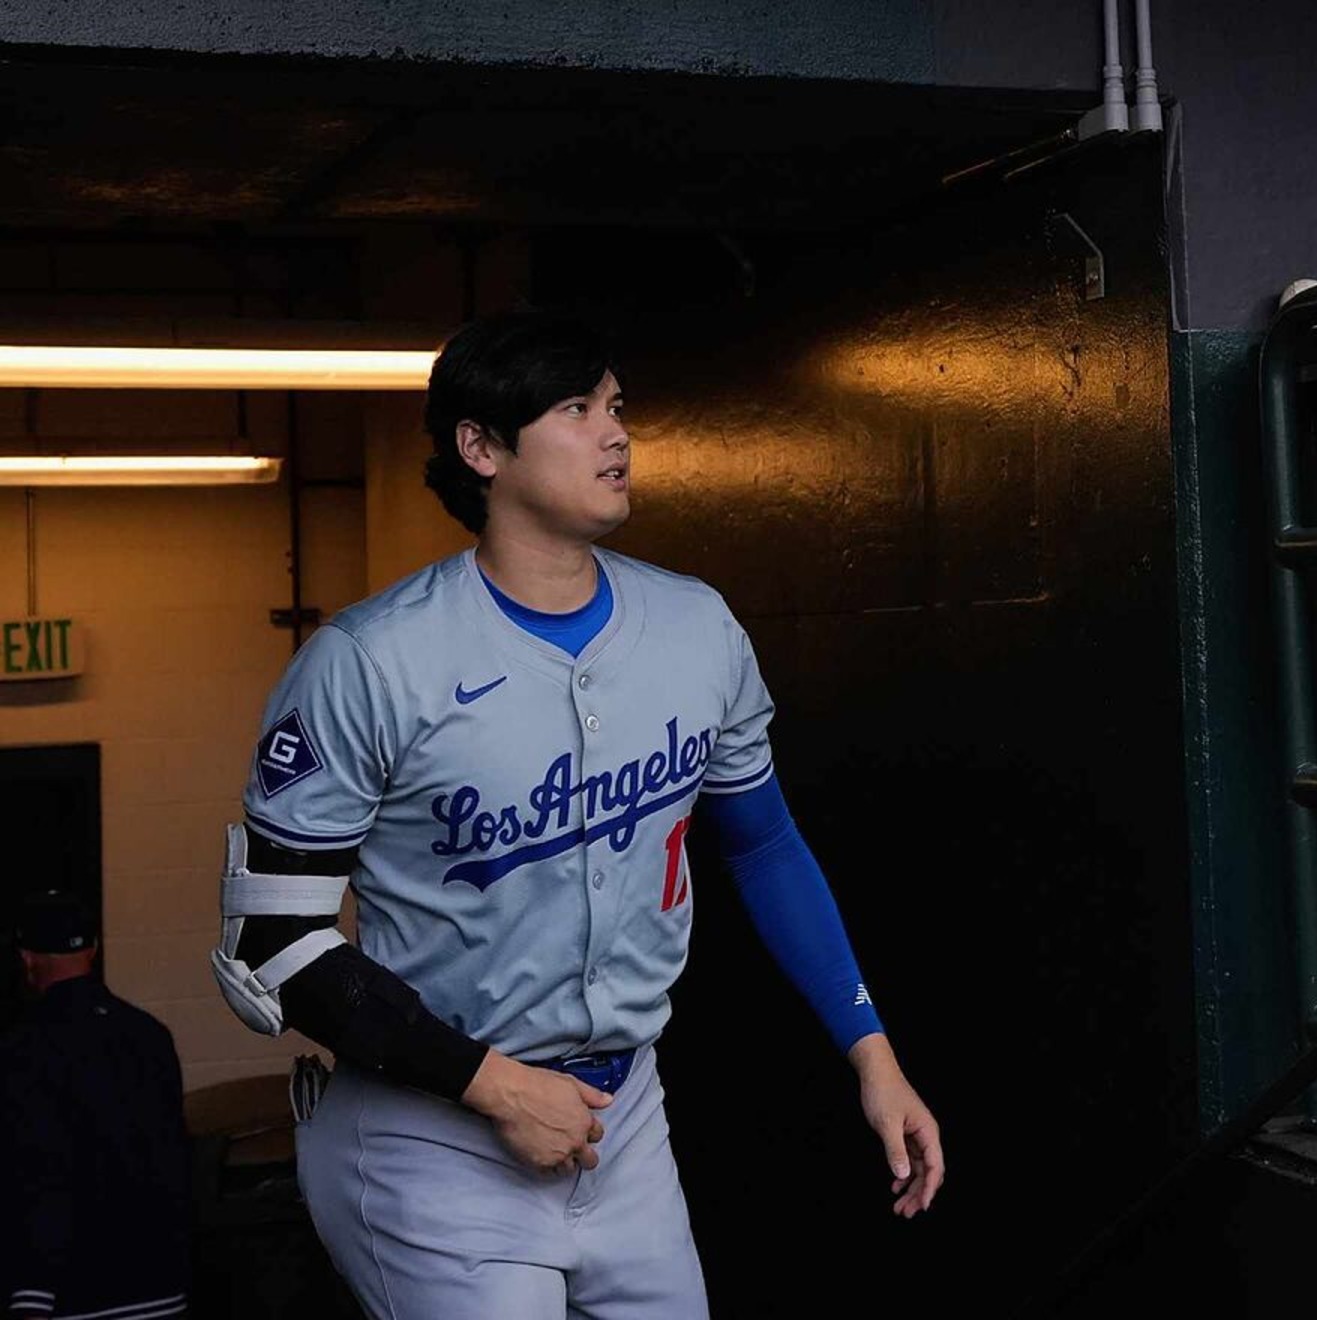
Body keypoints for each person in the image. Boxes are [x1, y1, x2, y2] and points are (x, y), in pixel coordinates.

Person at [211, 309, 944, 1318]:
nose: (615, 432)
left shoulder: (695, 626)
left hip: (626, 1120)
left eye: (615, 405)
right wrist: (493, 1086)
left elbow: (766, 845)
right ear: (481, 447)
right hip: (434, 1130)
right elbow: (272, 940)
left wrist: (873, 1053)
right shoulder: (370, 662)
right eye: (575, 408)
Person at [2, 890, 192, 1320]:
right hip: (160, 1283)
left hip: (76, 1294)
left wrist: (30, 1293)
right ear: (94, 948)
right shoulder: (149, 1036)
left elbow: (37, 1171)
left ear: (27, 959)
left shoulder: (24, 1049)